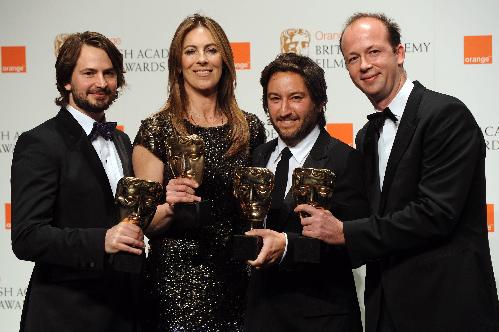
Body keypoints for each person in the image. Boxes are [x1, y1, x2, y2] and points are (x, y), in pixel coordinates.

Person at [298, 12, 499, 332]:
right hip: (386, 311)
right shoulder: (367, 136)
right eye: (353, 58)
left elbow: (435, 213)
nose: (364, 65)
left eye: (374, 51)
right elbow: (372, 215)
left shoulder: (445, 115)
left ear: (400, 53)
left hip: (446, 309)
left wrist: (346, 233)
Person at [132, 14, 266, 331]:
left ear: (225, 60)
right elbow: (142, 224)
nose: (202, 60)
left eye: (211, 50)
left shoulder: (249, 129)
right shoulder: (157, 129)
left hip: (238, 283)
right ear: (178, 63)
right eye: (191, 51)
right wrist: (169, 204)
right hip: (174, 286)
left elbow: (258, 212)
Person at [11, 31, 142, 332]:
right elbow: (27, 237)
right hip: (65, 314)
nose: (101, 82)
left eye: (109, 73)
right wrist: (101, 240)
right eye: (88, 73)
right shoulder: (40, 142)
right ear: (66, 81)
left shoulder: (121, 139)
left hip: (122, 311)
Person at [243, 52, 369, 332]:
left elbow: (355, 247)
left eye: (296, 98)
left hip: (321, 321)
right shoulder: (257, 157)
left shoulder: (345, 160)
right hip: (261, 317)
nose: (284, 110)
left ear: (320, 101)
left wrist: (288, 246)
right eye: (275, 99)